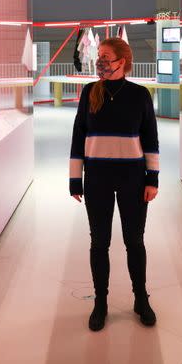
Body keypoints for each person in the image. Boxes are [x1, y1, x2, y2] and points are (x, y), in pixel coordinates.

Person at [69, 37, 160, 331]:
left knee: (134, 241)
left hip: (133, 179)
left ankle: (140, 299)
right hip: (97, 178)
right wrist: (75, 179)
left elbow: (150, 139)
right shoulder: (89, 92)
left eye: (106, 57)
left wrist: (152, 178)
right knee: (99, 242)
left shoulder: (140, 94)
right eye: (99, 56)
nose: (101, 62)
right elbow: (78, 136)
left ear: (123, 61)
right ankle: (101, 302)